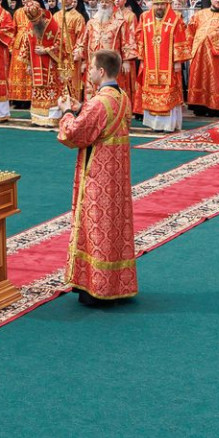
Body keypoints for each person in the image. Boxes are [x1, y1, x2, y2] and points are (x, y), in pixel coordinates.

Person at [52, 49, 138, 306]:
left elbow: (74, 134)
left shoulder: (99, 102)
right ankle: (117, 284)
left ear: (101, 71)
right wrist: (81, 108)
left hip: (98, 175)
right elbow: (101, 123)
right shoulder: (123, 97)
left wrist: (67, 112)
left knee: (96, 227)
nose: (88, 72)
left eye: (91, 68)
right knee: (115, 227)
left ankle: (97, 287)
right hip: (117, 176)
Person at [134, 0, 192, 131]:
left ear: (167, 3)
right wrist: (141, 58)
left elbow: (180, 39)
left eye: (162, 4)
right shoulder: (144, 17)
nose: (159, 7)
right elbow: (140, 39)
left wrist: (178, 61)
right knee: (151, 90)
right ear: (152, 4)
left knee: (169, 90)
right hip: (150, 63)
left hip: (169, 64)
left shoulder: (175, 18)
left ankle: (168, 124)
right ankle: (154, 124)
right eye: (157, 4)